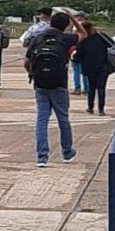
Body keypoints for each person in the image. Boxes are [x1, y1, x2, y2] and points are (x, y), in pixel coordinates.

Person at [27, 11, 78, 167]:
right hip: (59, 83)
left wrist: (31, 73)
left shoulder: (38, 38)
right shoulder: (66, 39)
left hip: (40, 84)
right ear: (66, 25)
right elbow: (83, 33)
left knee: (42, 120)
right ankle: (67, 152)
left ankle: (42, 157)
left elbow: (26, 61)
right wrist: (73, 18)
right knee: (63, 118)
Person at [74, 18, 113, 116]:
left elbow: (78, 57)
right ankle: (101, 109)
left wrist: (73, 57)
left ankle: (90, 108)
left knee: (91, 88)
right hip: (103, 66)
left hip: (89, 67)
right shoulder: (100, 36)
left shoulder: (82, 41)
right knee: (101, 88)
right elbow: (112, 44)